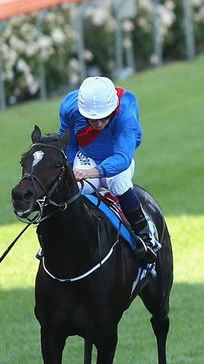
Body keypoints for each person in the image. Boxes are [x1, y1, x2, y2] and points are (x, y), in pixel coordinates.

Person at [58, 76, 160, 262]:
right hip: (87, 156)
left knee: (117, 183)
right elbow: (69, 143)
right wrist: (71, 168)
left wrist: (91, 173)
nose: (97, 124)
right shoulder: (69, 107)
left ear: (113, 109)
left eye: (103, 118)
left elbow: (122, 158)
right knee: (72, 191)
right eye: (92, 119)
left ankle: (146, 236)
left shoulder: (127, 109)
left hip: (116, 156)